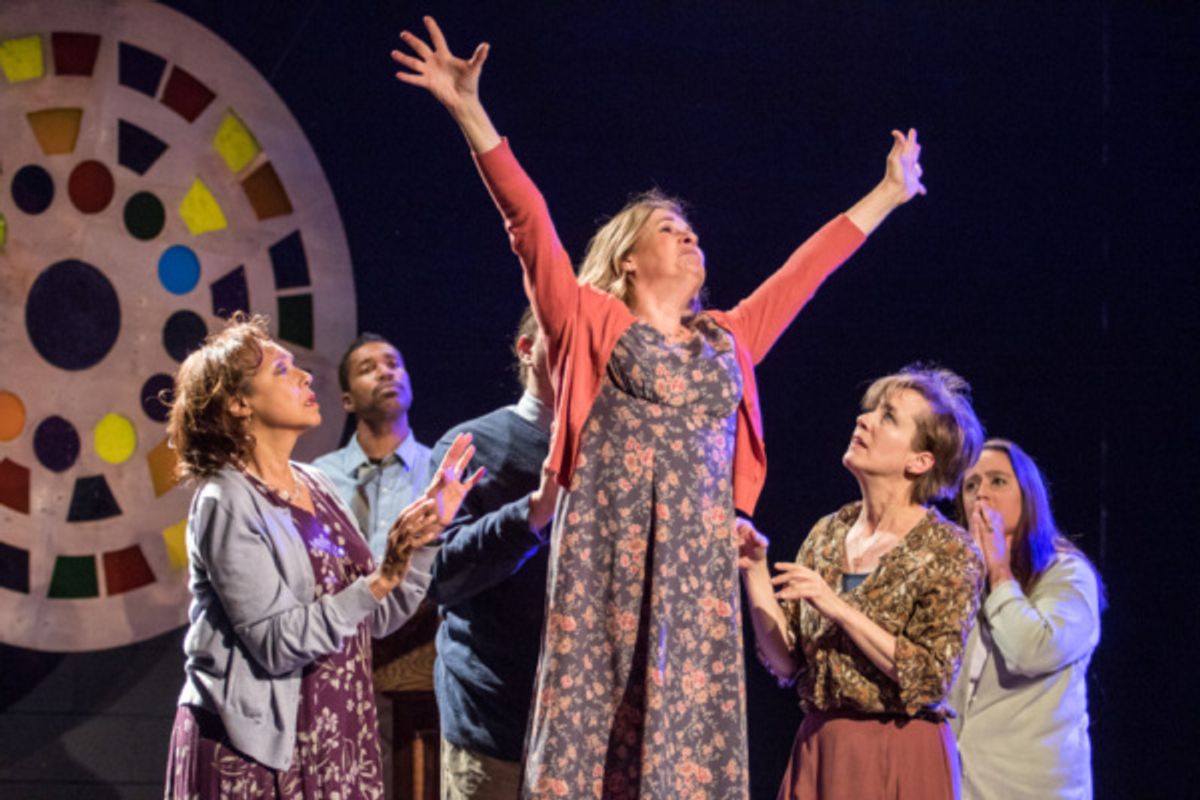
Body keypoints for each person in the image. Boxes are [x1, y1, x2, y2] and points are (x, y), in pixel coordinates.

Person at [393, 16, 924, 797]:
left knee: (681, 761)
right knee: (591, 751)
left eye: (691, 232)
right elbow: (526, 224)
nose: (688, 239)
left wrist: (887, 192)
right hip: (604, 567)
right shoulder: (587, 323)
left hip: (692, 578)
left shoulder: (726, 341)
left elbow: (804, 273)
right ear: (627, 258)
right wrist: (471, 112)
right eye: (667, 230)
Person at [162, 316, 481, 799]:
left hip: (337, 737)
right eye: (282, 370)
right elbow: (275, 642)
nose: (306, 377)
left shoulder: (317, 484)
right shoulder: (225, 499)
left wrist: (424, 538)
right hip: (258, 750)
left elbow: (375, 618)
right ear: (239, 403)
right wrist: (379, 579)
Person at [738, 366, 985, 800]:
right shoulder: (830, 532)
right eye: (869, 410)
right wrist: (754, 570)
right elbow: (787, 663)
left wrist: (835, 606)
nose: (864, 420)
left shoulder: (948, 550)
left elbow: (929, 677)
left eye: (888, 417)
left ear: (920, 461)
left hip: (898, 751)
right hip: (822, 749)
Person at [427, 308, 558, 799]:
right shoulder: (472, 446)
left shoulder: (611, 449)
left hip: (586, 727)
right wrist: (532, 515)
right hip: (497, 728)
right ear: (526, 351)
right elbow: (437, 574)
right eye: (559, 336)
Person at [949, 439, 1103, 800]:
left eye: (997, 481)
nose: (981, 494)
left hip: (1032, 789)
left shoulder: (1067, 574)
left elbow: (1030, 651)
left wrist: (1000, 571)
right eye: (971, 485)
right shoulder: (959, 584)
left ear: (1029, 497)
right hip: (963, 787)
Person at [312, 333, 433, 568]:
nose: (386, 373)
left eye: (393, 364)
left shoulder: (436, 470)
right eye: (367, 369)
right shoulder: (321, 477)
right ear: (347, 401)